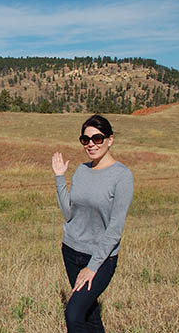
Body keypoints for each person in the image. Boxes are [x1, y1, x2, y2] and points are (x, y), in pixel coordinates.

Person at [51, 114, 134, 333]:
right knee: (90, 315)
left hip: (101, 257)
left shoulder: (122, 176)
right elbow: (69, 213)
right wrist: (60, 177)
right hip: (71, 250)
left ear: (110, 139)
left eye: (97, 138)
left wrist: (92, 267)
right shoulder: (81, 170)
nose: (91, 144)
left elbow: (115, 229)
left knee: (74, 314)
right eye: (85, 139)